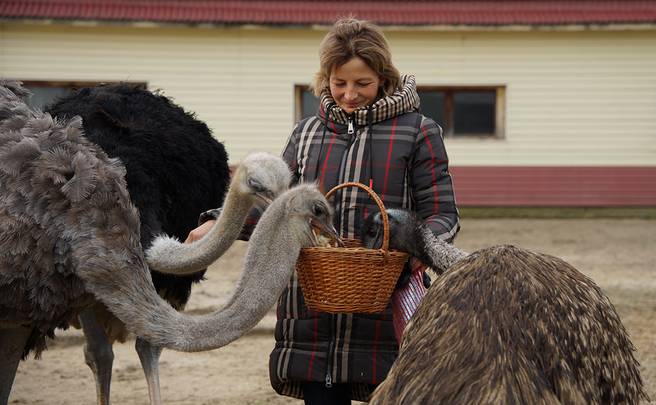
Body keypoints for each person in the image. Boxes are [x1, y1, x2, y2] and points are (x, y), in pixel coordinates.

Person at [187, 17, 459, 404]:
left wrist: (420, 250)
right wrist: (219, 223)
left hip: (385, 303)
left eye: (362, 83)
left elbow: (442, 214)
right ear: (325, 78)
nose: (349, 94)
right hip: (313, 309)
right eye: (339, 83)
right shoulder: (306, 133)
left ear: (383, 77)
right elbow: (276, 207)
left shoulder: (418, 132)